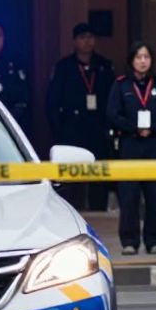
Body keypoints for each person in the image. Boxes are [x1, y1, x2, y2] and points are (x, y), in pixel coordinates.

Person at [107, 41, 156, 255]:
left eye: (146, 57)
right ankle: (129, 241)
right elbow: (112, 114)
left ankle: (154, 241)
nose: (143, 61)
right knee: (129, 196)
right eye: (138, 57)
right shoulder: (121, 85)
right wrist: (134, 129)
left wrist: (153, 128)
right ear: (131, 60)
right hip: (129, 144)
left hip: (154, 144)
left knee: (154, 196)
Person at [45, 22, 115, 212]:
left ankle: (98, 212)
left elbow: (112, 98)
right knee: (71, 180)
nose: (87, 41)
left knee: (98, 176)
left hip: (98, 130)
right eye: (82, 37)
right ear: (75, 41)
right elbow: (52, 102)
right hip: (72, 131)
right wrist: (59, 131)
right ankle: (71, 213)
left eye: (90, 37)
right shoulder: (64, 67)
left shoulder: (104, 66)